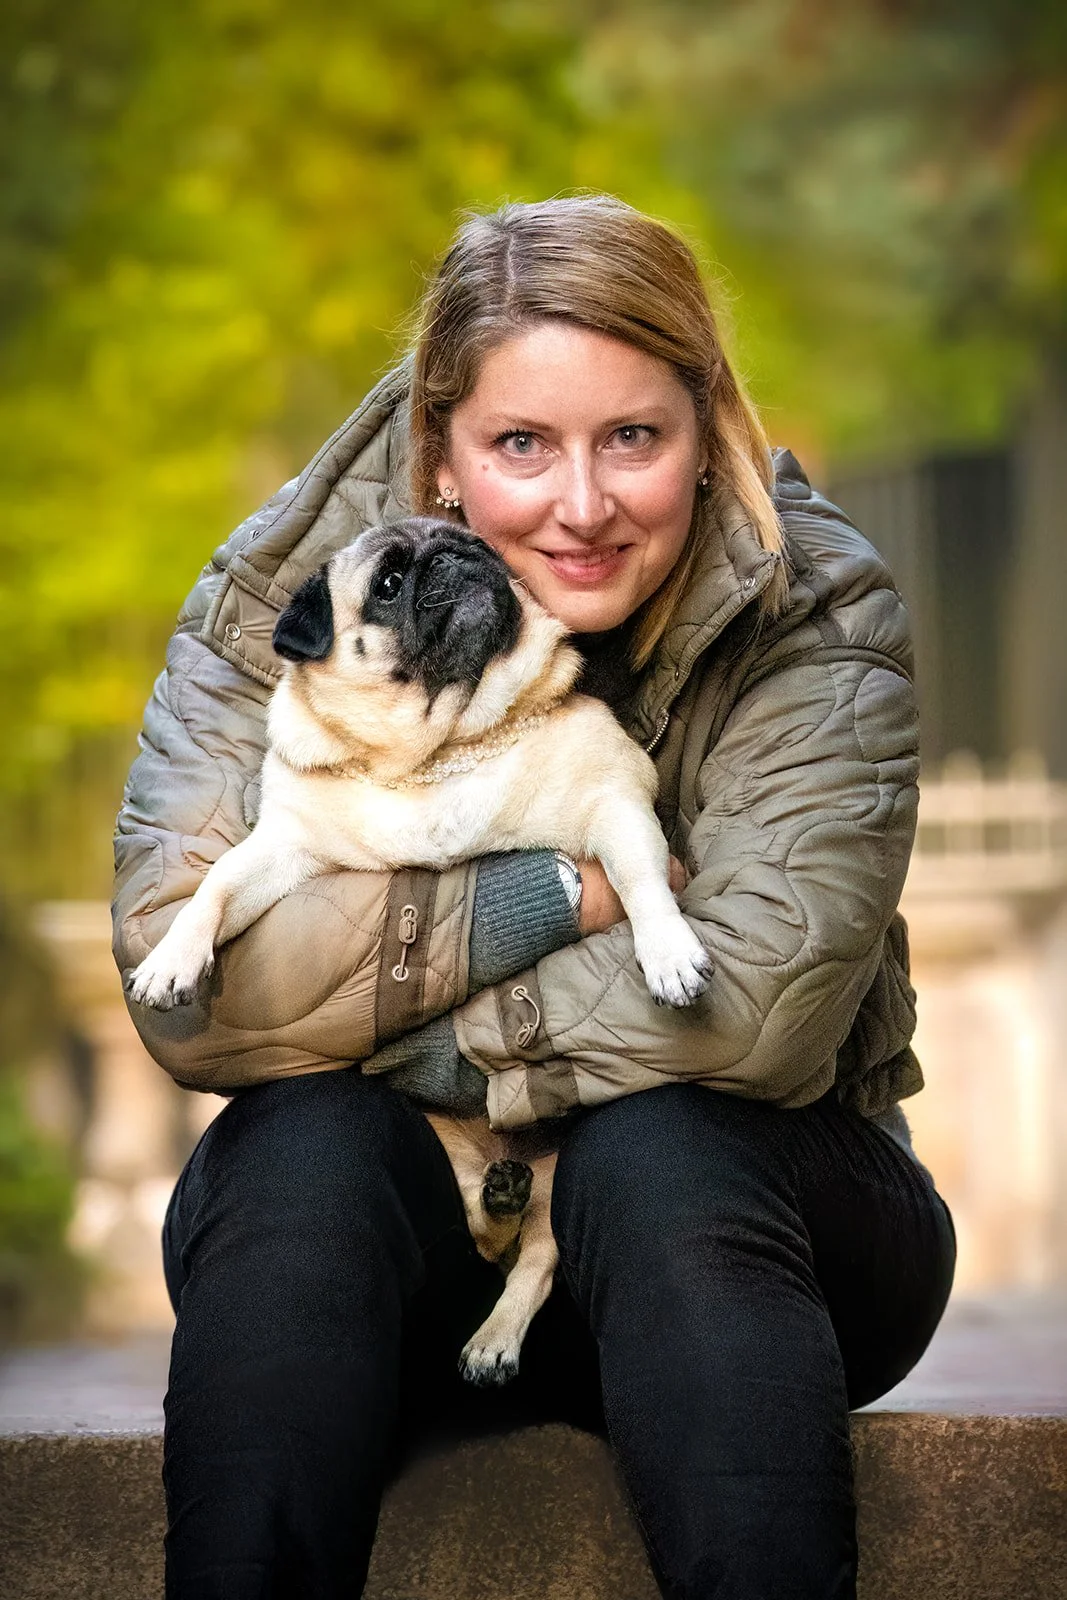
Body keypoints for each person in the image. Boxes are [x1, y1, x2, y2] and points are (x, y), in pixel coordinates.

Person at [113, 194, 957, 1600]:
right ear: (439, 452)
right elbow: (197, 1009)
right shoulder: (279, 593)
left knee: (664, 1144)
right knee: (303, 1148)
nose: (580, 503)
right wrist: (546, 906)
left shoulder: (819, 608)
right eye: (521, 444)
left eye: (632, 436)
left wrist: (415, 1028)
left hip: (769, 1237)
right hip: (405, 1250)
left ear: (706, 432)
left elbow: (751, 1018)